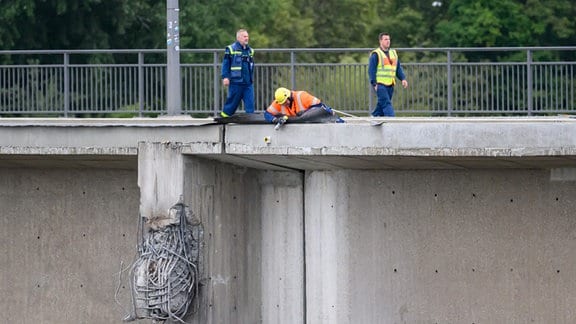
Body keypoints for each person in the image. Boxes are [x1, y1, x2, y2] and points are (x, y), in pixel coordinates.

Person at [368, 32, 408, 117]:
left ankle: (374, 117)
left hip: (390, 84)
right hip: (380, 84)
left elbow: (397, 68)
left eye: (389, 39)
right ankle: (392, 122)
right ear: (380, 41)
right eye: (385, 39)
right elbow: (371, 70)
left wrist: (403, 79)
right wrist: (374, 83)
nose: (388, 41)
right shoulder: (376, 54)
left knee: (381, 104)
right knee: (386, 103)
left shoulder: (393, 53)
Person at [220, 29, 255, 117]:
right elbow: (225, 64)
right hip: (236, 82)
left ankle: (250, 123)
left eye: (247, 36)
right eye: (244, 36)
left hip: (248, 83)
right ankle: (224, 119)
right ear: (238, 38)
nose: (246, 38)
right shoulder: (231, 49)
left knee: (250, 105)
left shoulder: (250, 50)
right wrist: (225, 77)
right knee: (231, 104)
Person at [264, 87, 344, 125]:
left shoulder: (302, 96)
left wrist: (305, 113)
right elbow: (267, 114)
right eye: (282, 103)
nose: (285, 104)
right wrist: (274, 120)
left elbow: (320, 106)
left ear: (289, 96)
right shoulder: (278, 103)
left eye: (285, 102)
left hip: (313, 120)